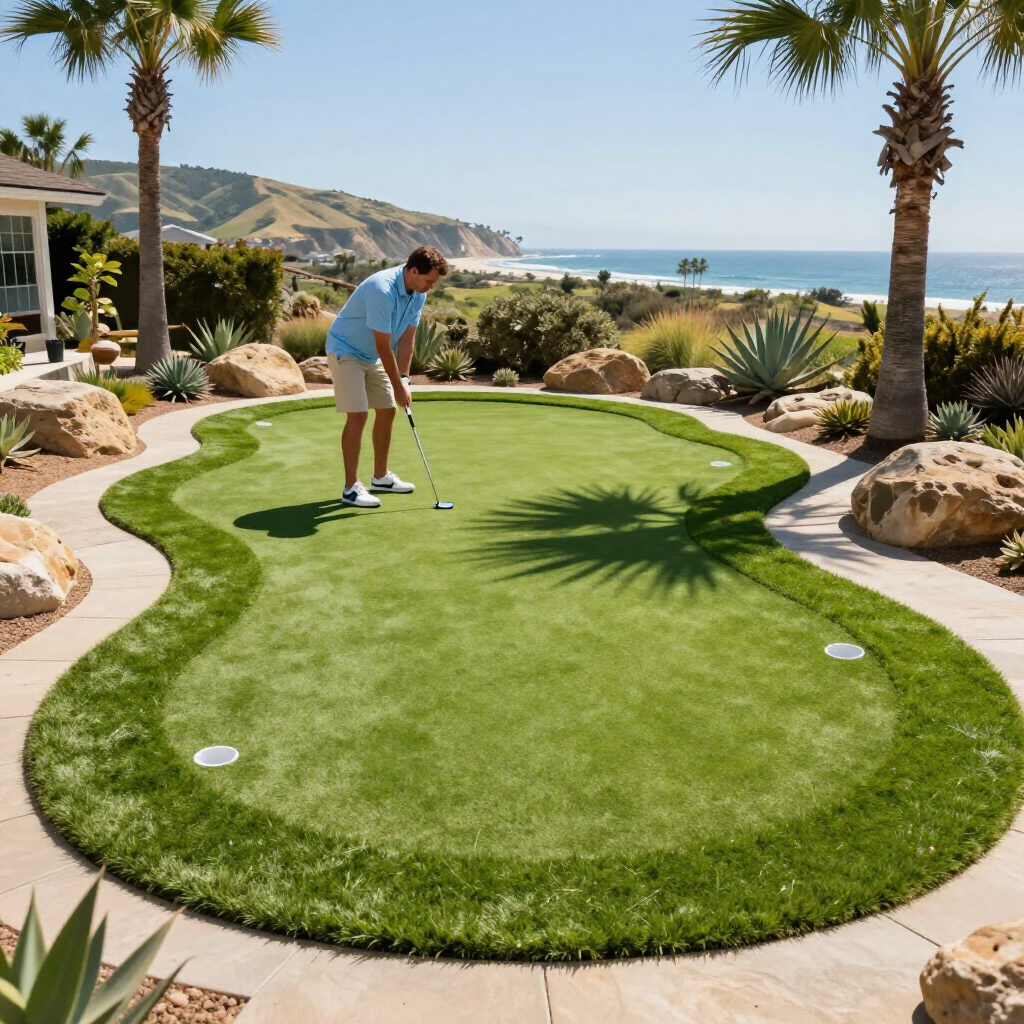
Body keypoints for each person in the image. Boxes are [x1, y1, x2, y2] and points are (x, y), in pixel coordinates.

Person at [325, 246, 449, 507]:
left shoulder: (418, 293)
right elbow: (384, 346)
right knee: (358, 414)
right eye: (429, 281)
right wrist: (398, 386)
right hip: (346, 350)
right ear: (414, 271)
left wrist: (404, 379)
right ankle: (350, 488)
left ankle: (380, 477)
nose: (431, 287)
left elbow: (406, 339)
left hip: (371, 355)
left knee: (387, 408)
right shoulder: (381, 289)